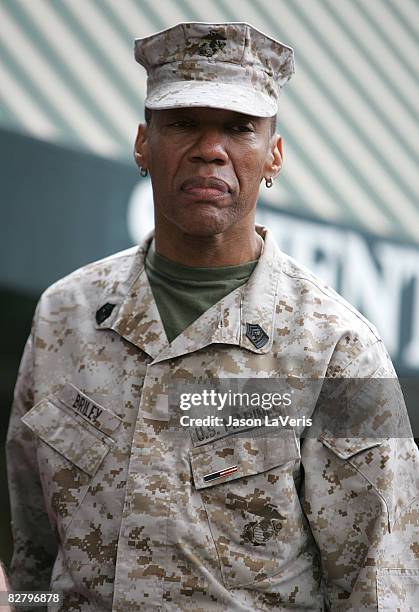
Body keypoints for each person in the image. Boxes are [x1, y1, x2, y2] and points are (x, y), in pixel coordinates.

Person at [6, 21, 419, 611]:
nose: (209, 148)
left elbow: (383, 583)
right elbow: (34, 561)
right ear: (143, 144)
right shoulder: (63, 317)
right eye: (182, 124)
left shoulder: (338, 347)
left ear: (274, 153)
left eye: (238, 128)